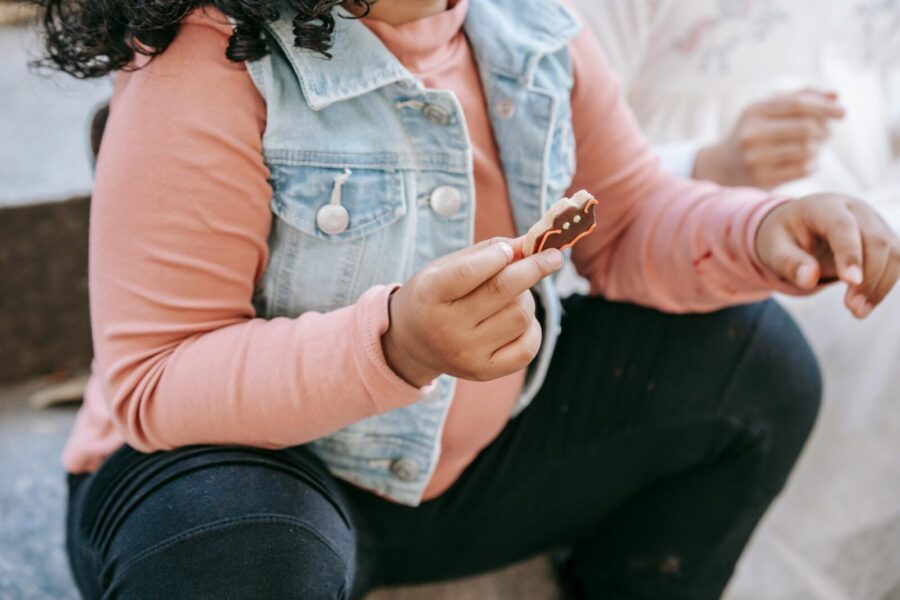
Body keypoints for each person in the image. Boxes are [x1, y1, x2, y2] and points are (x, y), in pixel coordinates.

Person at [34, 0, 898, 598]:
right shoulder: (203, 63)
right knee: (241, 550)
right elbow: (156, 381)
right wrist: (394, 347)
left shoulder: (531, 28)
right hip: (251, 483)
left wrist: (761, 229)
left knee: (759, 362)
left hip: (463, 478)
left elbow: (628, 221)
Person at [574, 0, 900, 596]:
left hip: (838, 209)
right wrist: (718, 164)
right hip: (681, 249)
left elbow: (872, 90)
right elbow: (563, 186)